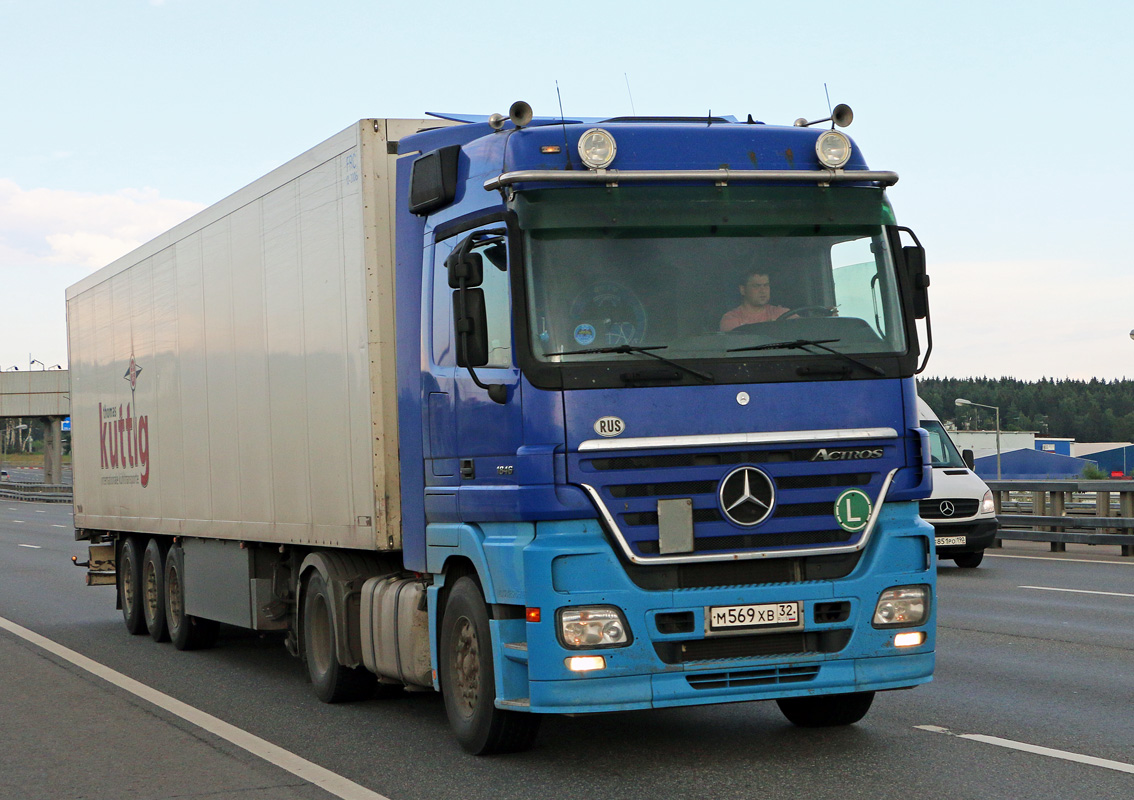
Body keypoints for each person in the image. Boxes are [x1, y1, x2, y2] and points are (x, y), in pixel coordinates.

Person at [719, 270, 789, 331]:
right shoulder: (731, 319)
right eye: (756, 286)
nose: (763, 291)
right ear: (743, 290)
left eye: (766, 285)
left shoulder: (782, 313)